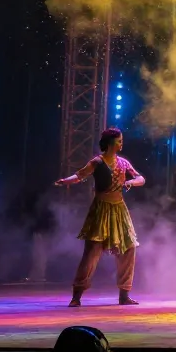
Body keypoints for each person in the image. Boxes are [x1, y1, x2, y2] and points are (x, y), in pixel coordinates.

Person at [54, 128, 144, 307]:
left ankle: (124, 294)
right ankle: (77, 295)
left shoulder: (124, 163)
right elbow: (79, 175)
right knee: (91, 253)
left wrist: (131, 182)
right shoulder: (97, 162)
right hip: (101, 209)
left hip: (119, 210)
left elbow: (140, 178)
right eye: (119, 141)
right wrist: (65, 181)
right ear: (110, 143)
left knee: (129, 248)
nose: (121, 144)